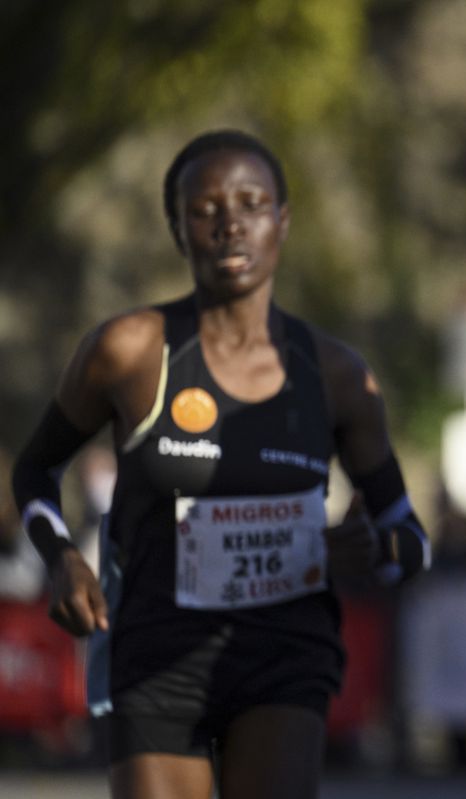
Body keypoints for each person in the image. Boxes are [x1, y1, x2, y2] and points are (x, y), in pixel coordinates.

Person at [10, 129, 429, 799]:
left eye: (251, 202)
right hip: (154, 650)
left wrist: (376, 548)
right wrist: (60, 553)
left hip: (284, 653)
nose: (230, 223)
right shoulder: (129, 351)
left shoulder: (337, 374)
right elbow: (34, 470)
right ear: (178, 230)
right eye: (205, 209)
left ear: (281, 222)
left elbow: (413, 537)